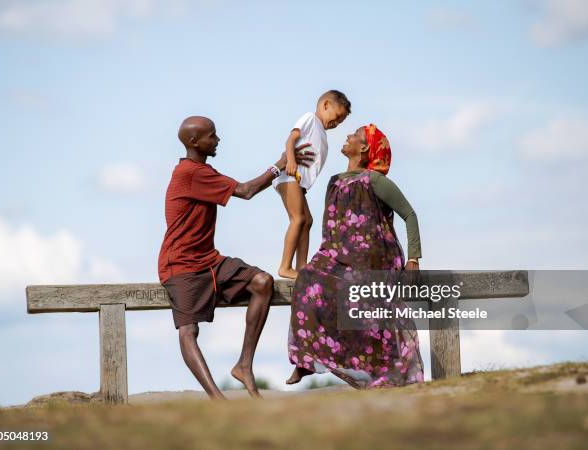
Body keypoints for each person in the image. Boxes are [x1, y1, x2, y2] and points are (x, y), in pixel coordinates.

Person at [158, 116, 313, 399]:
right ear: (194, 142)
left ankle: (243, 365)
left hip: (210, 260)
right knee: (188, 330)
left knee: (262, 282)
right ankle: (218, 399)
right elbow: (246, 190)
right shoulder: (190, 173)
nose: (218, 140)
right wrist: (279, 164)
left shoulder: (201, 171)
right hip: (181, 265)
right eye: (212, 136)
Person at [286, 123, 425, 389]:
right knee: (306, 278)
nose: (348, 136)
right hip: (339, 256)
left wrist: (414, 258)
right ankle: (305, 359)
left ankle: (380, 368)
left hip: (375, 258)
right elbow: (331, 227)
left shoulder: (375, 181)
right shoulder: (334, 182)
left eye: (355, 136)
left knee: (366, 303)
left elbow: (410, 214)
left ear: (363, 148)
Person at [272, 90, 351, 280]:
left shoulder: (321, 132)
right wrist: (290, 161)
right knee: (298, 219)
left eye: (340, 121)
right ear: (325, 105)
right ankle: (285, 266)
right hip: (289, 176)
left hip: (298, 183)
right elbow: (290, 140)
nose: (336, 123)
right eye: (336, 116)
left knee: (307, 220)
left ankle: (301, 266)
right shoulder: (310, 119)